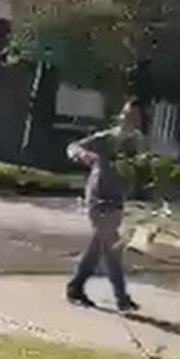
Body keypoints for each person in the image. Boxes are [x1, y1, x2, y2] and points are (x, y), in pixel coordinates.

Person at [66, 98, 147, 312]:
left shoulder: (139, 142)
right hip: (99, 197)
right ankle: (120, 297)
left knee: (102, 246)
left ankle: (77, 287)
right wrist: (83, 154)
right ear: (121, 115)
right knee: (110, 246)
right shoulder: (107, 138)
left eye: (134, 116)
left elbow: (142, 170)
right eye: (127, 114)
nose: (129, 119)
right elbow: (73, 147)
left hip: (117, 200)